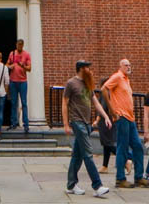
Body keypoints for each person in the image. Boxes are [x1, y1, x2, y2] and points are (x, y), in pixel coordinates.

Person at [61, 60, 109, 198]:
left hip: (87, 124)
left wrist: (105, 116)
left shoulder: (88, 83)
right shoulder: (71, 83)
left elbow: (95, 102)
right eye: (88, 67)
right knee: (88, 154)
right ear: (81, 69)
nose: (90, 69)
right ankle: (97, 186)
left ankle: (71, 185)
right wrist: (65, 124)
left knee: (77, 155)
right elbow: (65, 103)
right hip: (77, 122)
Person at [99, 59, 147, 189]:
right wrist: (112, 110)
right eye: (126, 65)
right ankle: (120, 179)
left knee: (137, 146)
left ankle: (139, 177)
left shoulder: (126, 80)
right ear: (120, 66)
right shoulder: (117, 77)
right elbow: (103, 89)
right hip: (122, 118)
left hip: (130, 119)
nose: (128, 67)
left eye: (130, 65)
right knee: (122, 147)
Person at [7, 38, 32, 133]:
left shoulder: (26, 55)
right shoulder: (12, 54)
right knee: (14, 103)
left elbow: (29, 68)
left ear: (23, 45)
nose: (20, 46)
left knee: (24, 103)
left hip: (23, 81)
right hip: (13, 81)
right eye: (18, 44)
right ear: (16, 44)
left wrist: (23, 66)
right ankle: (14, 123)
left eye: (21, 44)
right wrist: (10, 66)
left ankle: (26, 124)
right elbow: (6, 65)